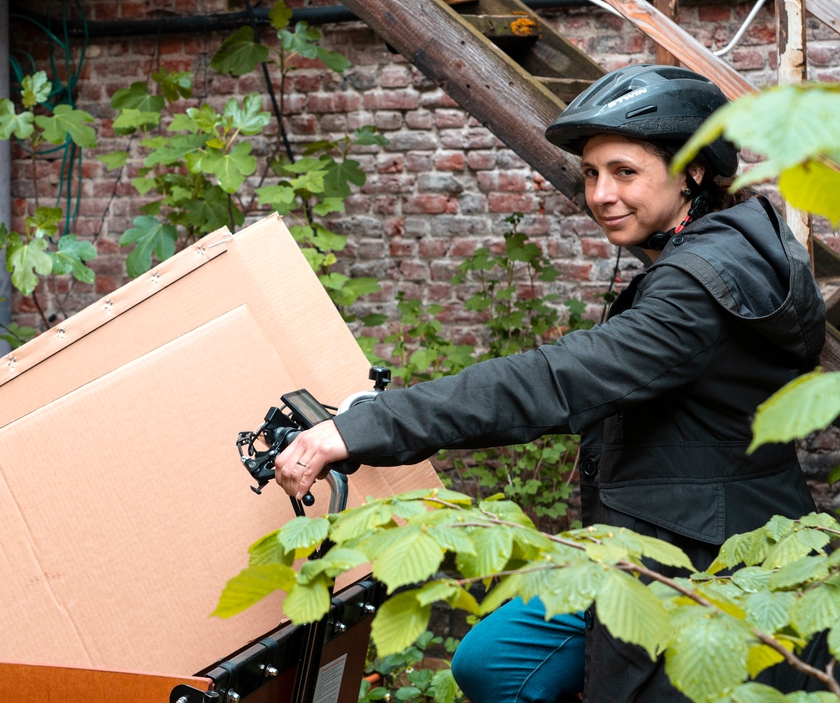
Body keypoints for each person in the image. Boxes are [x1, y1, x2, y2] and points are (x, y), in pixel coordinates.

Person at [274, 64, 826, 702]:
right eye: (591, 174)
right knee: (491, 661)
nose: (600, 194)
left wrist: (364, 428)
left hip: (706, 562)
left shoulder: (697, 285)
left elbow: (556, 380)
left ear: (692, 171)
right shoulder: (732, 246)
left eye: (624, 171)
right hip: (658, 536)